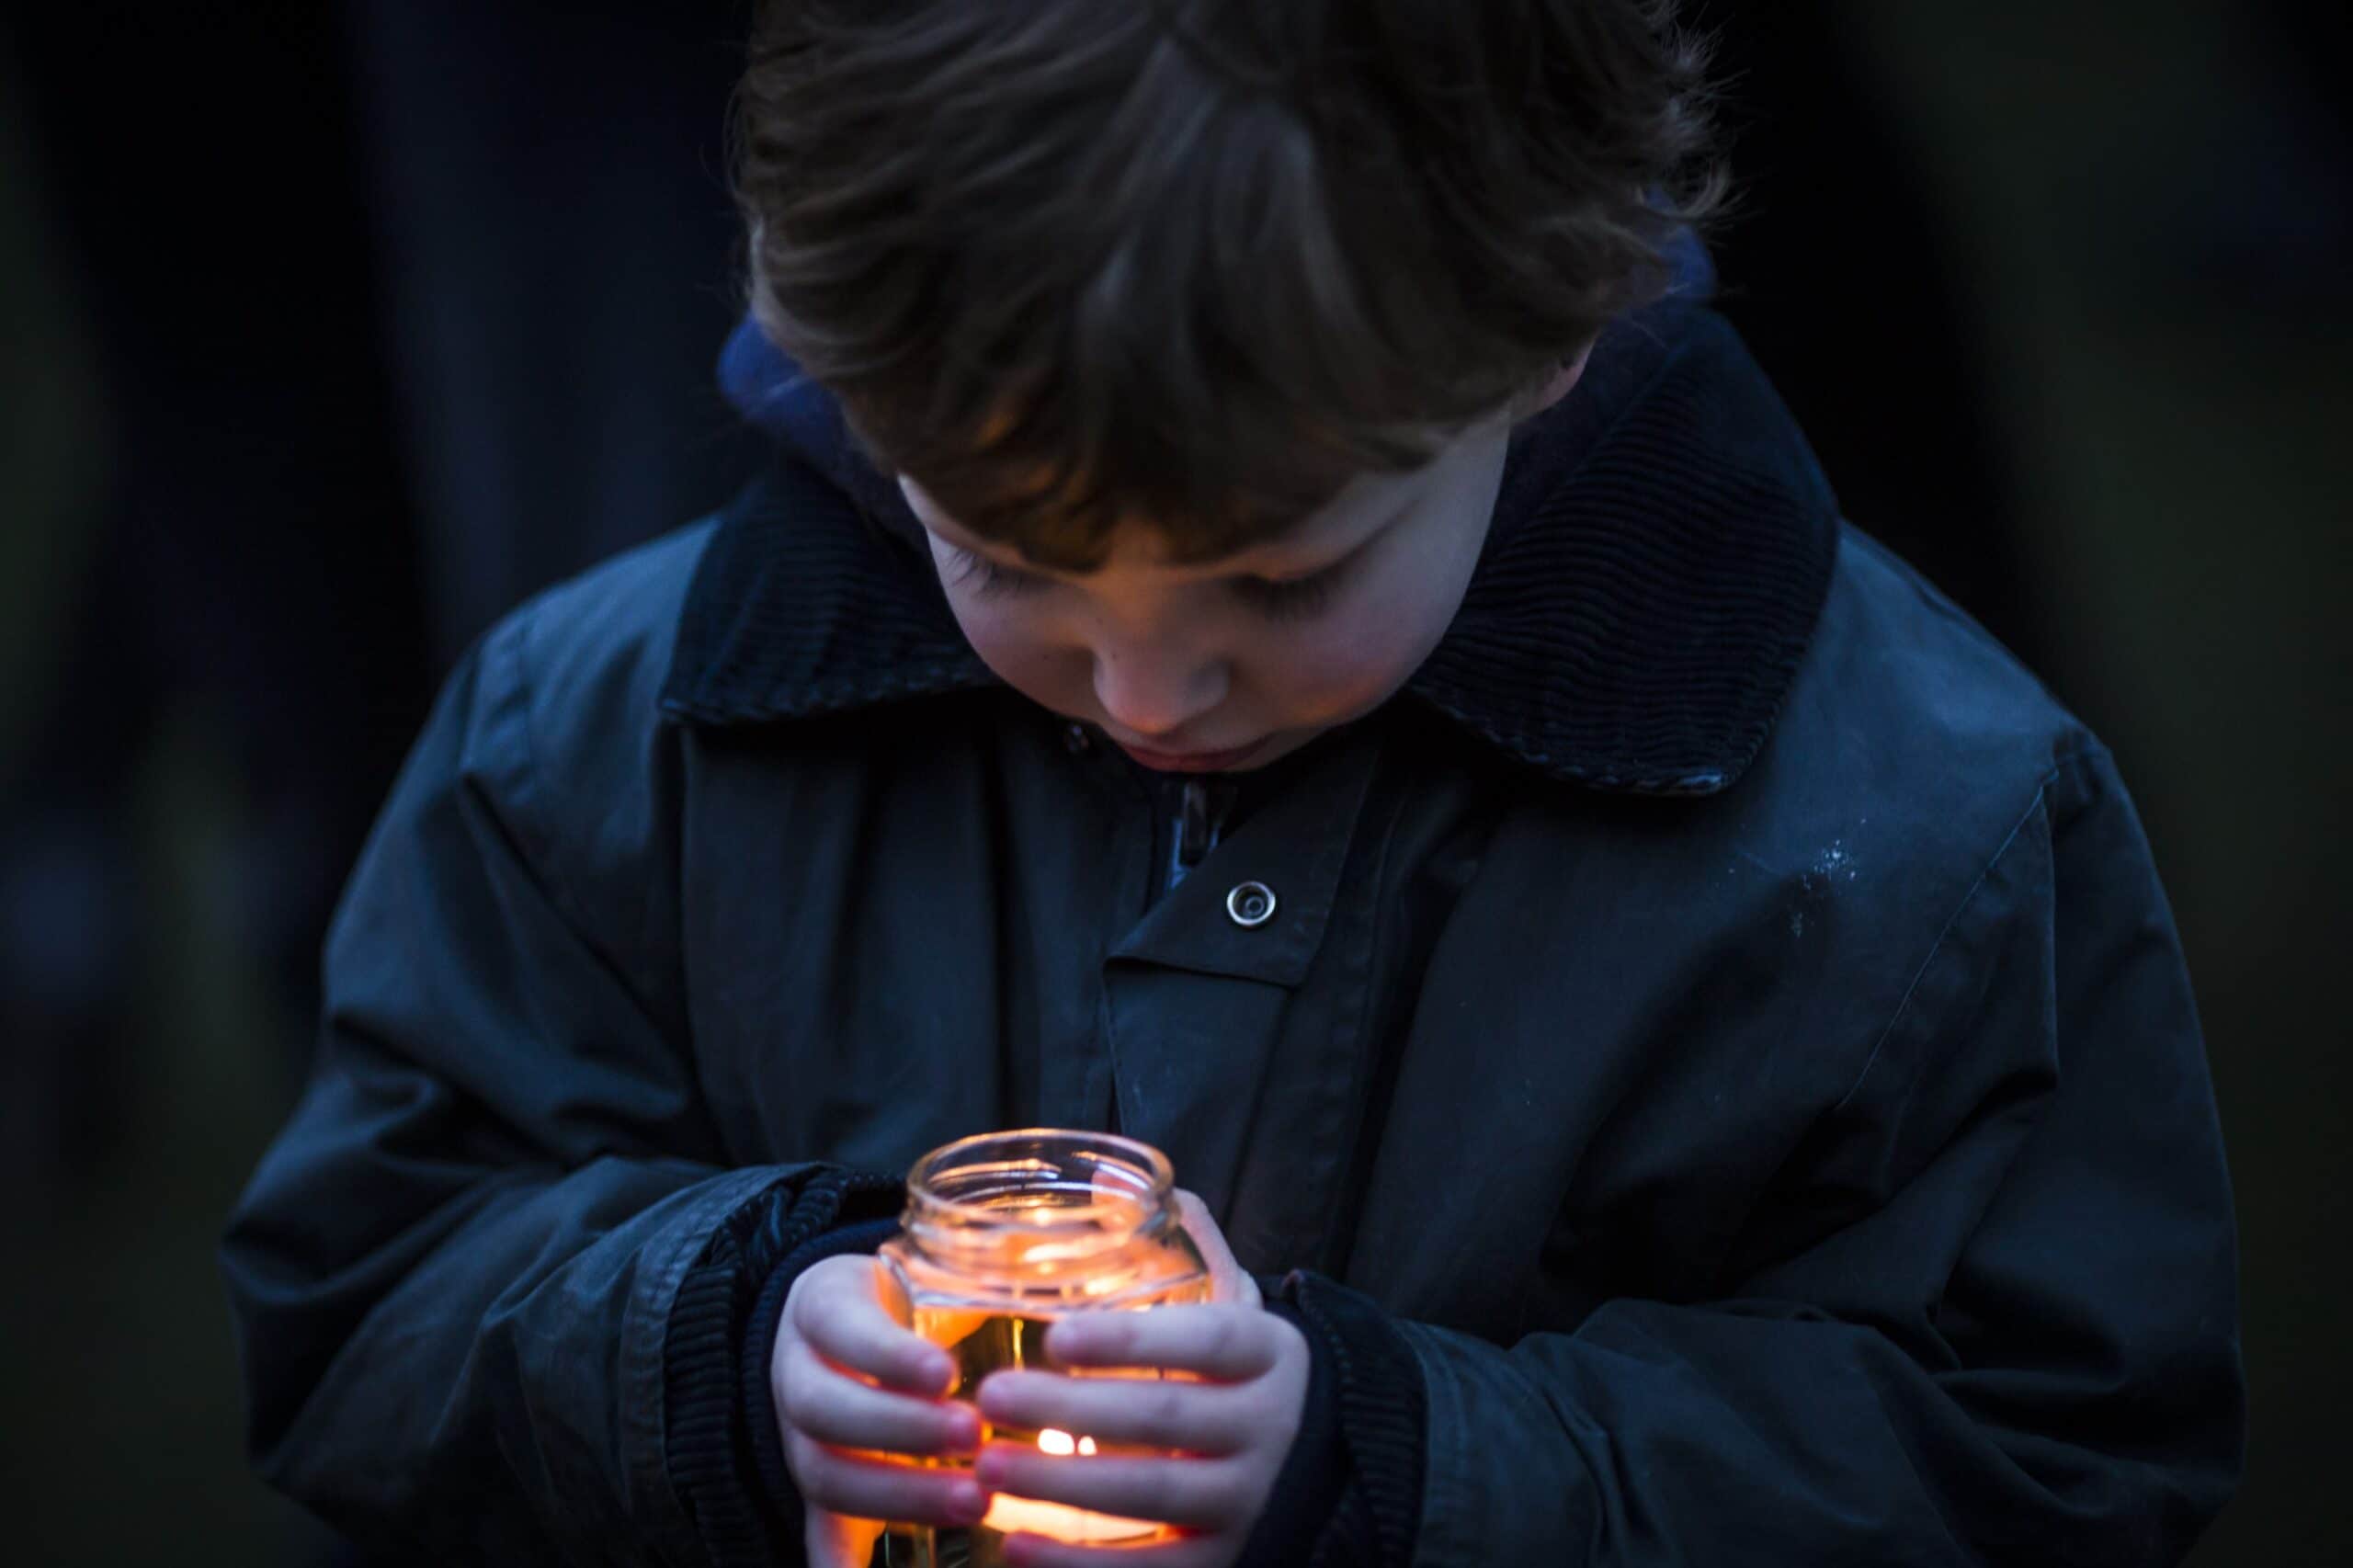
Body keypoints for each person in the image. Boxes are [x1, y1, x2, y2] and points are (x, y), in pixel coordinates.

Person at [220, 3, 2245, 1564]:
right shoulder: (603, 739)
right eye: (1002, 552)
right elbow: (362, 1292)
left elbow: (2038, 1453)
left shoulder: (1910, 839)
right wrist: (707, 1351)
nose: (1148, 683)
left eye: (1281, 577)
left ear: (1538, 334)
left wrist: (1384, 1461)